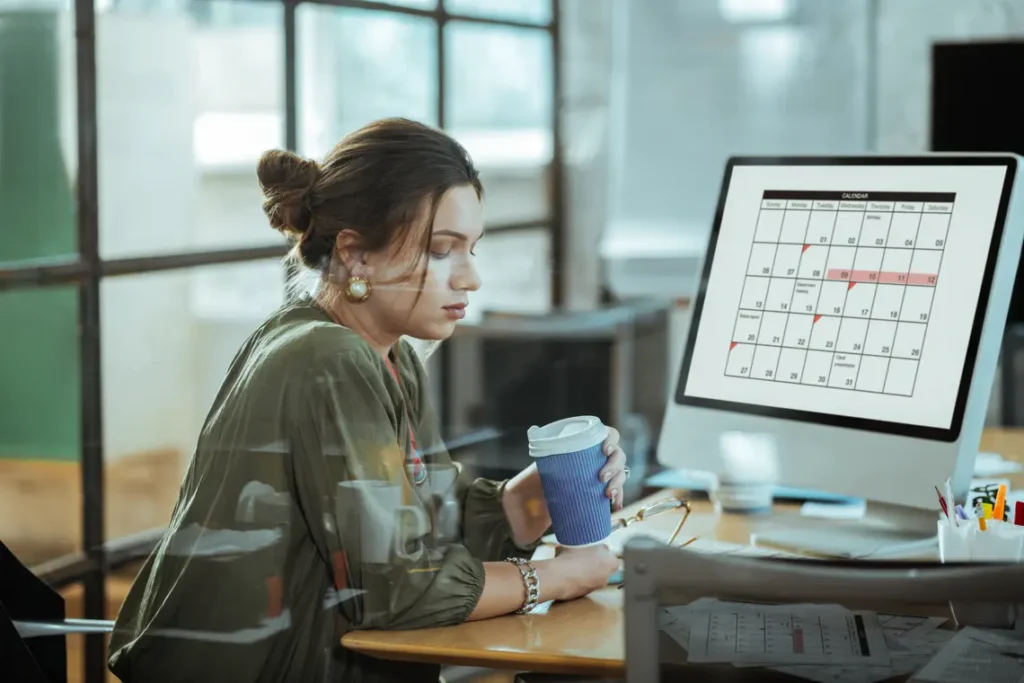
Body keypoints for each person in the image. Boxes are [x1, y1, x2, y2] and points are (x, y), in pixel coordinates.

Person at [107, 118, 624, 683]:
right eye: (441, 250)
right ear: (355, 255)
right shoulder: (329, 359)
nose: (470, 278)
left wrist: (538, 496)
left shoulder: (390, 356)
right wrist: (556, 578)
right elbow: (398, 589)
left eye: (472, 249)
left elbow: (421, 527)